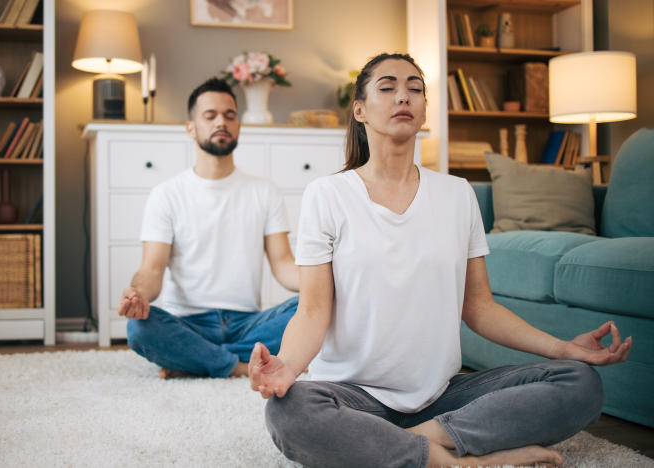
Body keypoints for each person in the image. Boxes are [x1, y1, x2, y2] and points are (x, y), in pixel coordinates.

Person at [249, 53, 632, 467]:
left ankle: (405, 444)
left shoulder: (457, 194)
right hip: (352, 396)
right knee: (290, 412)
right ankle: (462, 461)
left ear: (425, 108)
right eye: (388, 87)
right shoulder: (328, 195)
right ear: (359, 109)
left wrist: (564, 349)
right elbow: (312, 311)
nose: (404, 97)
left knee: (580, 383)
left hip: (442, 398)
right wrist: (287, 366)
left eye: (415, 88)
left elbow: (481, 309)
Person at [120, 77, 299, 379]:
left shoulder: (264, 191)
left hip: (249, 324)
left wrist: (325, 283)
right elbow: (152, 269)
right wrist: (137, 294)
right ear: (191, 127)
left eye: (230, 116)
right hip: (189, 323)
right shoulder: (166, 194)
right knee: (139, 327)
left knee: (315, 308)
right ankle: (242, 366)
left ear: (239, 126)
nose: (222, 122)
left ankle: (195, 361)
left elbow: (283, 264)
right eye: (210, 115)